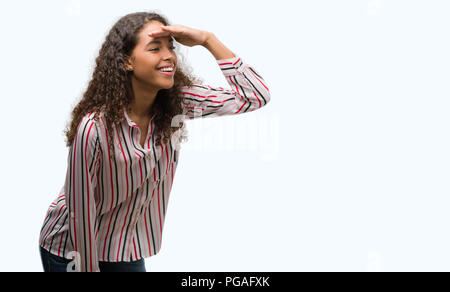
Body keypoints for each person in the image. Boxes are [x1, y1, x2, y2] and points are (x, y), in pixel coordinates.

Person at [38, 11, 271, 272]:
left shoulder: (177, 103)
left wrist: (207, 39)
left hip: (122, 244)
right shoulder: (94, 128)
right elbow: (79, 214)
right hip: (71, 248)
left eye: (170, 47)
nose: (169, 55)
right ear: (127, 61)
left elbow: (254, 96)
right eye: (154, 48)